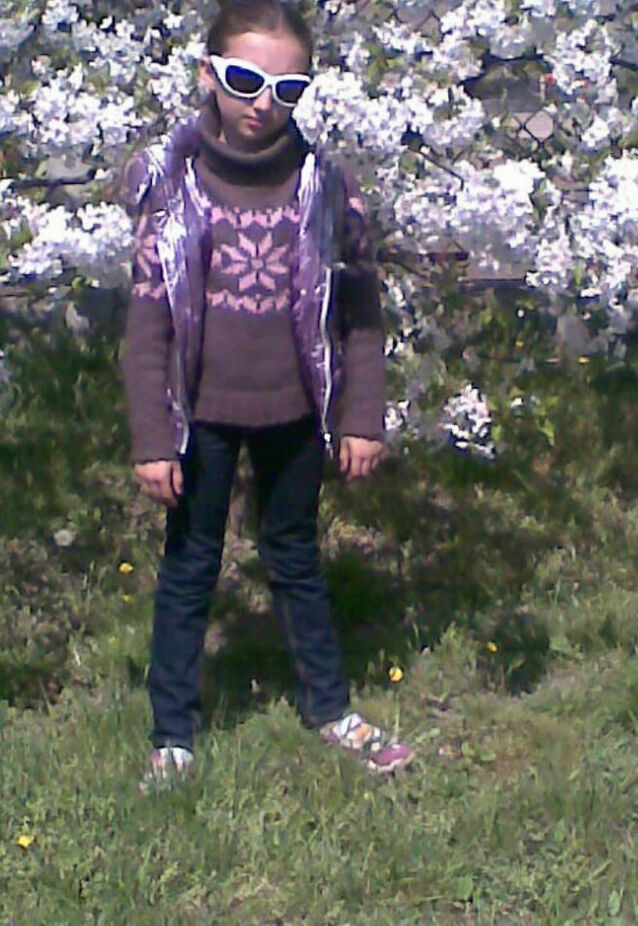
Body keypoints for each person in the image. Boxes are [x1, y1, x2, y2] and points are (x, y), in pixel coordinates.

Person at [119, 0, 413, 793]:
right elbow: (147, 326)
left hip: (294, 415)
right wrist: (152, 437)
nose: (262, 104)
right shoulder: (174, 192)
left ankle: (331, 711)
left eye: (287, 88)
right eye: (246, 80)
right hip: (202, 419)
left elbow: (359, 310)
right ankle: (172, 735)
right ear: (208, 75)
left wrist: (360, 415)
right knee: (189, 569)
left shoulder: (324, 189)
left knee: (296, 562)